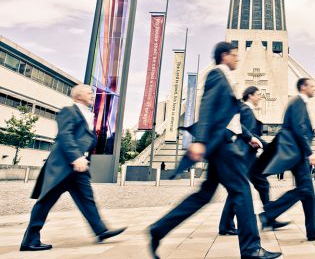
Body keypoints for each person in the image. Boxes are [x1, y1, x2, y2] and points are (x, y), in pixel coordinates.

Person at [148, 42, 280, 259]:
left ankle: (158, 229)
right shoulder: (216, 75)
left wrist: (248, 138)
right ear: (224, 55)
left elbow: (231, 118)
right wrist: (199, 140)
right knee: (242, 191)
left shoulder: (226, 78)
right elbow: (207, 106)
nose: (237, 59)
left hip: (223, 144)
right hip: (222, 147)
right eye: (235, 55)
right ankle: (251, 249)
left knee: (204, 195)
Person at [20, 84, 126, 251]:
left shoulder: (88, 115)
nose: (92, 95)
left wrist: (82, 157)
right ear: (78, 96)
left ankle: (101, 230)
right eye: (89, 92)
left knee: (87, 199)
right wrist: (76, 157)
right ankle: (30, 240)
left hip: (78, 169)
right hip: (63, 166)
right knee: (45, 202)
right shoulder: (68, 111)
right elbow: (65, 135)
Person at [258, 78, 315, 241]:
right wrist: (309, 152)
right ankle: (269, 212)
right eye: (311, 86)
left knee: (309, 193)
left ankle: (313, 230)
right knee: (306, 190)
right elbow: (298, 129)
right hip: (297, 153)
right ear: (303, 87)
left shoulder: (298, 103)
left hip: (295, 152)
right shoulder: (298, 102)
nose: (314, 89)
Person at [218, 86, 284, 235]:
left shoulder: (245, 109)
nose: (260, 97)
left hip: (248, 156)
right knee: (239, 189)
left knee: (261, 184)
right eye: (258, 95)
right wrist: (268, 146)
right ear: (250, 95)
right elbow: (248, 133)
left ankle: (269, 217)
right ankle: (226, 225)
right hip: (244, 156)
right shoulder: (245, 110)